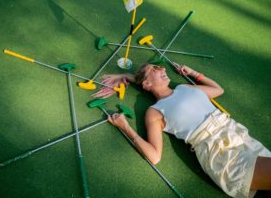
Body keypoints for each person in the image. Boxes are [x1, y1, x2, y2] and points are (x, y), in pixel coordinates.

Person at [95, 63, 271, 198]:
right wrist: (125, 127)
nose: (162, 67)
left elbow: (218, 90)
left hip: (239, 136)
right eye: (155, 68)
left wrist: (193, 73)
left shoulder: (183, 88)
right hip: (219, 151)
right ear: (147, 83)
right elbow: (155, 156)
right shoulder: (155, 111)